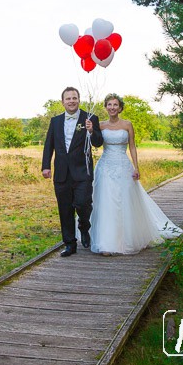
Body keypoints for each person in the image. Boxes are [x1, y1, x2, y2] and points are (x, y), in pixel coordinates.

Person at [89, 94, 183, 255]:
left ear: (120, 108)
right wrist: (91, 131)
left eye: (115, 105)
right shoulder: (100, 125)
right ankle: (106, 243)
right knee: (106, 202)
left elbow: (132, 146)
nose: (112, 107)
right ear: (105, 107)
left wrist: (136, 167)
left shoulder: (127, 124)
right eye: (109, 104)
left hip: (123, 166)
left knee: (125, 201)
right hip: (105, 167)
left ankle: (127, 239)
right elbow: (96, 142)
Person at [42, 87, 104, 257]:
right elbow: (49, 145)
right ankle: (70, 244)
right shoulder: (55, 121)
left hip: (82, 171)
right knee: (64, 209)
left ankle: (84, 227)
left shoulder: (90, 118)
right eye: (68, 98)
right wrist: (45, 166)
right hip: (61, 173)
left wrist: (92, 130)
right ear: (62, 102)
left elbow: (98, 143)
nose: (71, 101)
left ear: (79, 100)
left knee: (83, 203)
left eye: (74, 98)